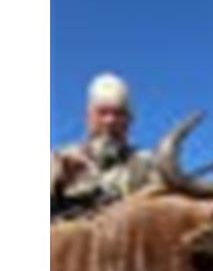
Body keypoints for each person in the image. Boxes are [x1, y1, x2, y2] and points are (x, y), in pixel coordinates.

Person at [51, 73, 158, 218]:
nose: (110, 121)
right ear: (88, 117)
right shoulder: (59, 160)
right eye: (102, 112)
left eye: (118, 113)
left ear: (129, 120)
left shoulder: (148, 164)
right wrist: (56, 181)